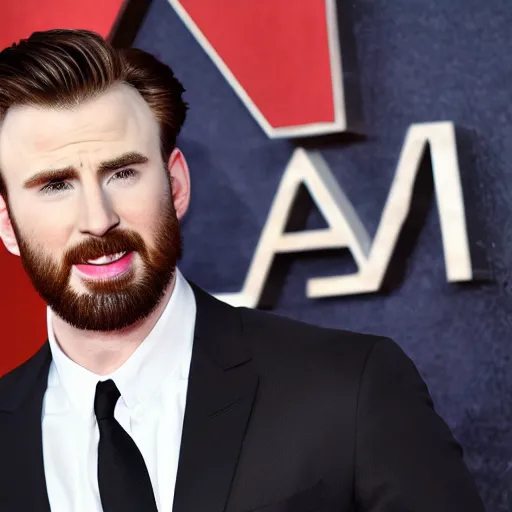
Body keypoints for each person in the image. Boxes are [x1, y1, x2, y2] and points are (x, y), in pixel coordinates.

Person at [0, 29, 484, 512]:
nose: (98, 219)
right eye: (56, 185)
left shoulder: (350, 390)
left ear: (176, 184)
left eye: (122, 173)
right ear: (7, 222)